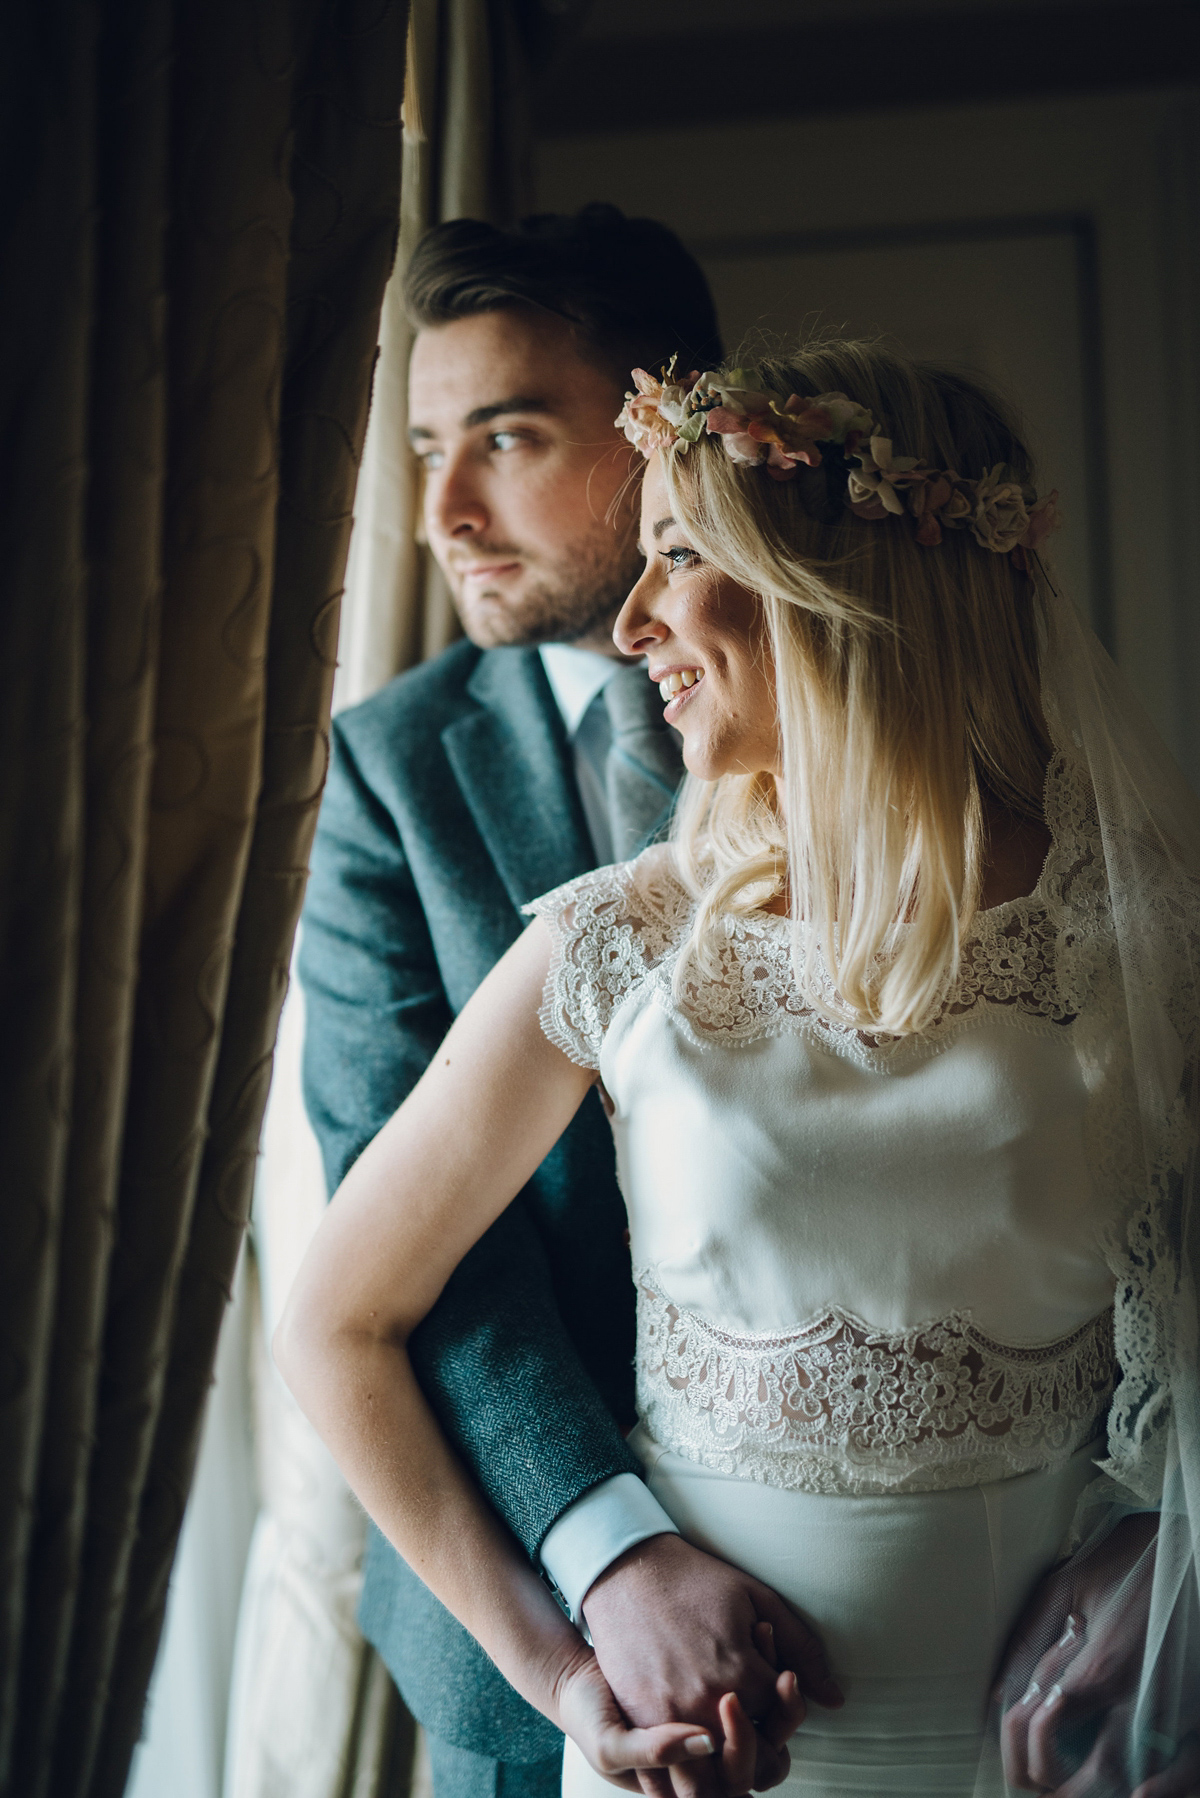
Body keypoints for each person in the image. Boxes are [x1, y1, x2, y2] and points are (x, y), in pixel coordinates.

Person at [284, 336, 1200, 1796]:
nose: (636, 617)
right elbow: (338, 1320)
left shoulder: (1146, 925)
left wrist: (1184, 1548)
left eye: (677, 553)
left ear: (855, 585)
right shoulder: (619, 945)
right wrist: (567, 1665)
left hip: (1066, 1743)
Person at [298, 207, 825, 1798]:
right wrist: (608, 1558)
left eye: (507, 437)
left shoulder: (876, 723)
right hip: (540, 1640)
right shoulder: (387, 775)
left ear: (663, 430)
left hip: (926, 1584)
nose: (440, 513)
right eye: (423, 448)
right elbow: (406, 1246)